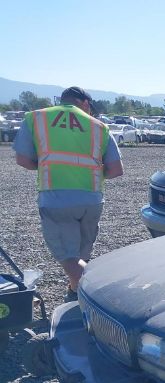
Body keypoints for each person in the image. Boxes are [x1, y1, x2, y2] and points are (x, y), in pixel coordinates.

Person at [13, 86, 124, 302]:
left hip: (56, 197)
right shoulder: (99, 127)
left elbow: (23, 160)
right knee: (81, 253)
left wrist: (49, 167)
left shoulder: (37, 119)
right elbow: (116, 170)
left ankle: (99, 295)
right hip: (92, 199)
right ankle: (75, 293)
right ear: (84, 103)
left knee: (68, 257)